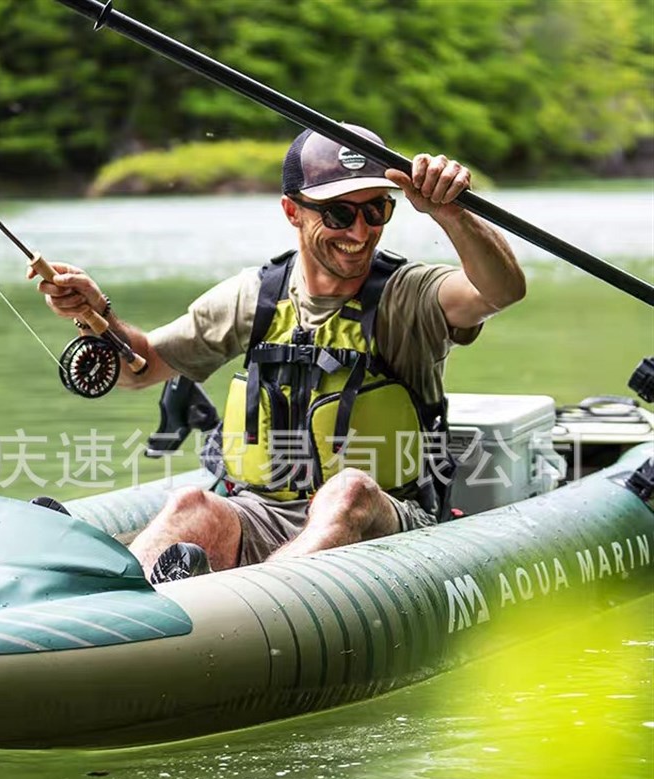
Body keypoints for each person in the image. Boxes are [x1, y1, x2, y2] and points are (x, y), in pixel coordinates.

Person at [31, 124, 525, 583]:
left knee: (347, 491)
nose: (360, 233)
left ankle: (250, 603)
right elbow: (139, 367)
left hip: (387, 516)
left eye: (376, 210)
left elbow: (499, 292)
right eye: (339, 214)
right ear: (293, 211)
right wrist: (98, 316)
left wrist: (452, 214)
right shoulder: (254, 296)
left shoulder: (410, 295)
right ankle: (100, 595)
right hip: (263, 512)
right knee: (191, 506)